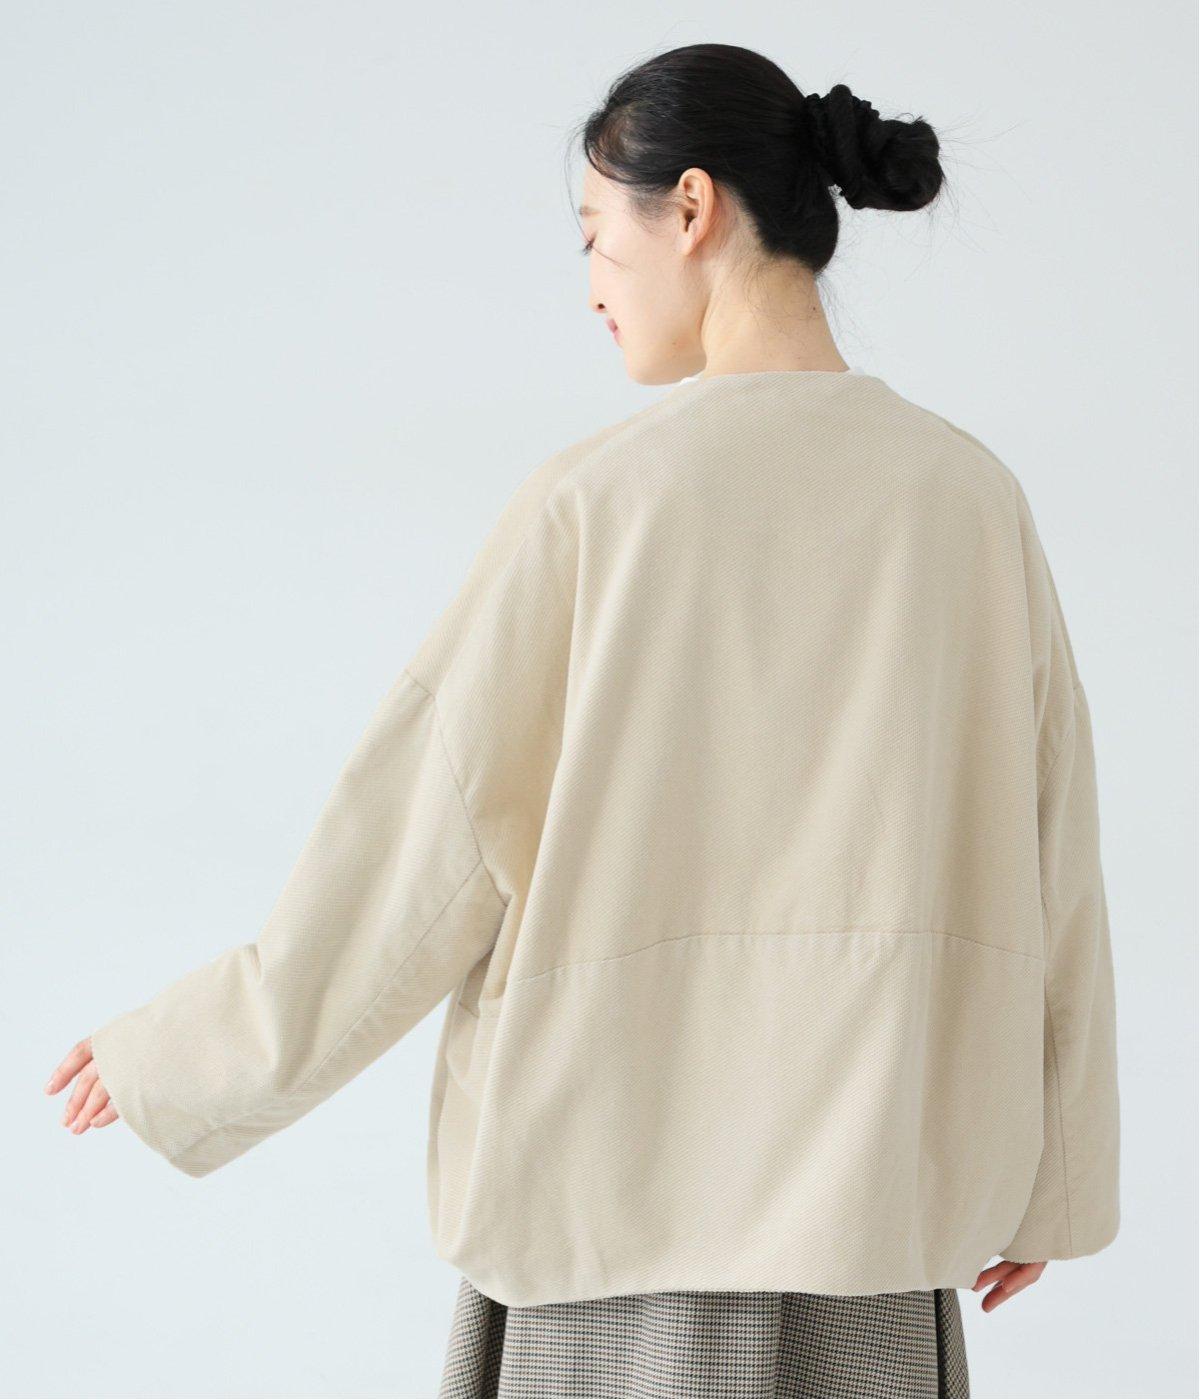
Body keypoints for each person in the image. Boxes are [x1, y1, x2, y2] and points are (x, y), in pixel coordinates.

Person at [46, 41, 1120, 1400]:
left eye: (596, 235)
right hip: (873, 1239)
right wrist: (1054, 1176)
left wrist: (189, 1055)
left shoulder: (597, 504)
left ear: (691, 208)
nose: (591, 286)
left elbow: (418, 848)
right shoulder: (969, 501)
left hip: (610, 1241)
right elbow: (1053, 859)